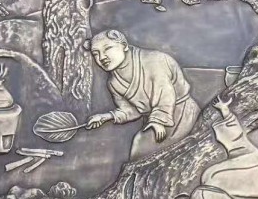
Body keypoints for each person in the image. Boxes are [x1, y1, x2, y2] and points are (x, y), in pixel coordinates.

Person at [84, 29, 199, 161]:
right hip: (152, 120)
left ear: (124, 46)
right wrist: (106, 117)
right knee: (139, 150)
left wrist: (158, 120)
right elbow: (132, 111)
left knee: (143, 147)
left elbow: (165, 93)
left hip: (179, 115)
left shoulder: (154, 60)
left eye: (108, 48)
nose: (102, 57)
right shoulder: (114, 83)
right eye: (96, 53)